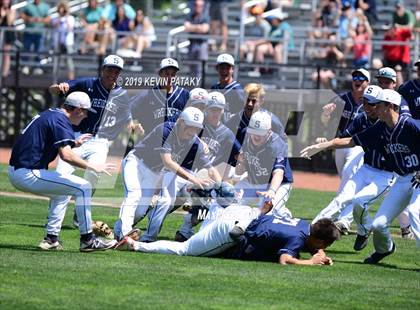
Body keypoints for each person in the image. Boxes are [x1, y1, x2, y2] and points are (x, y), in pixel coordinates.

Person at [301, 89, 420, 263]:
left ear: (392, 107)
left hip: (417, 178)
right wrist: (323, 146)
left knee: (414, 212)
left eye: (379, 105)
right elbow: (351, 140)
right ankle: (385, 249)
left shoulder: (410, 125)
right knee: (379, 225)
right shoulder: (380, 127)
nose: (375, 108)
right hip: (402, 180)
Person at [8, 92, 117, 252]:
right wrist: (93, 167)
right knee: (84, 187)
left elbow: (50, 140)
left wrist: (74, 142)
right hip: (28, 173)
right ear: (78, 109)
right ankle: (88, 240)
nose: (86, 116)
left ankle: (51, 239)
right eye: (86, 112)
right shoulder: (61, 120)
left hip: (20, 171)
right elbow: (65, 155)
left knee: (61, 192)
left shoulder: (52, 114)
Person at [48, 55, 142, 226]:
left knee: (93, 175)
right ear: (102, 69)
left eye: (116, 71)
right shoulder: (87, 84)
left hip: (100, 141)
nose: (112, 73)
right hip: (74, 136)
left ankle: (79, 214)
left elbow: (128, 117)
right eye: (109, 69)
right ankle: (53, 224)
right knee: (62, 178)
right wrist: (58, 87)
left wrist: (132, 125)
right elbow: (54, 90)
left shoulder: (121, 94)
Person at [113, 107, 217, 241]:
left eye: (196, 128)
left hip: (154, 172)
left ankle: (117, 232)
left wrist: (222, 185)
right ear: (180, 122)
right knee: (134, 194)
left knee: (139, 211)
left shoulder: (194, 141)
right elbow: (168, 162)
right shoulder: (166, 130)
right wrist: (193, 178)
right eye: (189, 126)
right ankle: (124, 234)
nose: (192, 131)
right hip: (136, 163)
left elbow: (211, 168)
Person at [116, 205, 340, 266]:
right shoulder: (299, 239)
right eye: (325, 245)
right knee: (185, 250)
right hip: (231, 228)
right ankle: (135, 245)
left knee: (200, 241)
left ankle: (196, 210)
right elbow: (285, 260)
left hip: (241, 212)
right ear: (319, 239)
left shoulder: (302, 225)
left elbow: (311, 241)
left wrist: (319, 251)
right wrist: (311, 261)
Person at [310, 86, 396, 246]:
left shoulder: (390, 123)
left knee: (358, 202)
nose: (367, 107)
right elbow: (346, 138)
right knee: (341, 199)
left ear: (381, 105)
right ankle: (311, 229)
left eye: (372, 103)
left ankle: (365, 230)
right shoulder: (361, 118)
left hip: (385, 174)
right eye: (364, 102)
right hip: (366, 168)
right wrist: (326, 143)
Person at [175, 92, 241, 241]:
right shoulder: (197, 124)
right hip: (185, 172)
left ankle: (184, 231)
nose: (215, 113)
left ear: (223, 110)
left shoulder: (227, 134)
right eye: (212, 109)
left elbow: (239, 155)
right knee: (166, 204)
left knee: (208, 205)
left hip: (203, 178)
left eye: (218, 109)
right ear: (206, 109)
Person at [319, 68, 369, 233]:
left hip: (359, 146)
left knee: (348, 179)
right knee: (348, 183)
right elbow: (324, 122)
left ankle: (341, 220)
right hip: (341, 145)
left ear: (367, 82)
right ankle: (349, 218)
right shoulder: (341, 99)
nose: (357, 79)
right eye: (355, 76)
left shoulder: (371, 101)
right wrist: (326, 114)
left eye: (362, 77)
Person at [235, 110, 293, 219]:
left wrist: (271, 191)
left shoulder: (277, 144)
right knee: (229, 202)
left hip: (278, 184)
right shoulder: (245, 135)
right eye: (253, 131)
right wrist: (241, 162)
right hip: (253, 181)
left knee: (268, 213)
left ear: (269, 131)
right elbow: (239, 171)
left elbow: (278, 173)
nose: (256, 136)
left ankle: (283, 215)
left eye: (260, 132)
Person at [130, 58, 190, 134]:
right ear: (160, 73)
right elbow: (126, 111)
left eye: (173, 74)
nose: (170, 78)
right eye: (167, 74)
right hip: (152, 141)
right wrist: (133, 125)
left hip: (176, 143)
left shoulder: (184, 94)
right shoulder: (148, 94)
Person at [226, 83, 285, 148]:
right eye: (247, 99)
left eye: (254, 100)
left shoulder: (272, 121)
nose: (250, 104)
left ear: (261, 100)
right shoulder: (234, 120)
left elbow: (282, 146)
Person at [211, 53, 245, 121]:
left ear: (232, 69)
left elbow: (244, 111)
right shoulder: (214, 88)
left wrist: (235, 117)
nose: (224, 71)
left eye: (227, 68)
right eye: (222, 68)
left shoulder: (237, 90)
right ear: (217, 69)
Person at [20, 0, 51, 75]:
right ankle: (25, 66)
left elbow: (48, 19)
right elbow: (22, 15)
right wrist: (29, 19)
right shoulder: (29, 5)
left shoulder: (45, 6)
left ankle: (37, 67)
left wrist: (40, 20)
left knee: (39, 50)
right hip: (28, 32)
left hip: (39, 33)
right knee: (26, 49)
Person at [184, 0, 210, 78]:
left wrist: (192, 27)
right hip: (191, 44)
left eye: (200, 5)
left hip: (202, 44)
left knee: (201, 66)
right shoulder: (190, 15)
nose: (198, 7)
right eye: (196, 5)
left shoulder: (205, 17)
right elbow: (186, 27)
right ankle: (192, 85)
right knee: (191, 66)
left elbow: (205, 29)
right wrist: (199, 27)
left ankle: (200, 85)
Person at [51, 1, 75, 80]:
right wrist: (59, 17)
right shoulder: (55, 18)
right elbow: (54, 26)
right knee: (56, 62)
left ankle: (71, 81)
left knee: (69, 62)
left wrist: (67, 15)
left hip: (68, 43)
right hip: (58, 42)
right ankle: (55, 80)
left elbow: (70, 28)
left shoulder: (71, 18)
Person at [0, 0, 16, 78]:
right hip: (1, 33)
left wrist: (7, 13)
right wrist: (2, 15)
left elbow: (10, 22)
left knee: (6, 54)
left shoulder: (12, 10)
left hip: (7, 34)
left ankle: (4, 74)